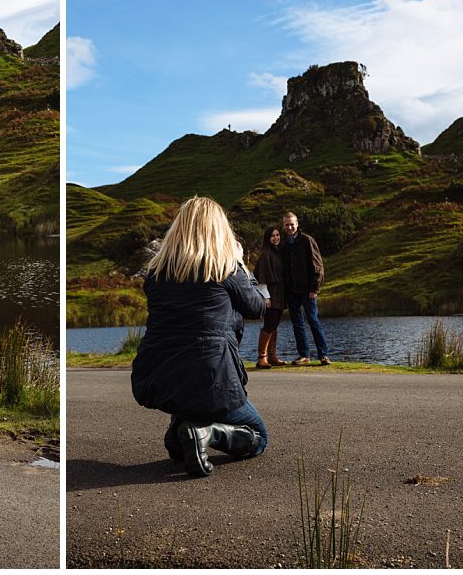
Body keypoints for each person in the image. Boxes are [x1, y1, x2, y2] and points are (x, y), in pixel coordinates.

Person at [129, 196, 269, 477]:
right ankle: (207, 432)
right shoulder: (225, 267)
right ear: (219, 229)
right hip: (210, 377)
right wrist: (241, 264)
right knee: (257, 436)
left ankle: (183, 428)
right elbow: (256, 307)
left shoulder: (156, 273)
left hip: (160, 373)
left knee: (190, 400)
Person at [277, 211, 330, 365]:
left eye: (292, 224)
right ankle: (304, 356)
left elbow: (318, 266)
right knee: (297, 324)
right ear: (283, 225)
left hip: (308, 290)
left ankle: (323, 355)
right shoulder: (284, 244)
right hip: (291, 291)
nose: (289, 227)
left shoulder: (307, 240)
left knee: (313, 321)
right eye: (286, 224)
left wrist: (315, 289)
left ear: (297, 223)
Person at [250, 227, 287, 368]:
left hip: (279, 292)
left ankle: (272, 356)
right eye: (272, 236)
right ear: (267, 238)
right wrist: (266, 297)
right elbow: (261, 278)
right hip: (270, 294)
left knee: (275, 324)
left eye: (278, 235)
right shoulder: (266, 254)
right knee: (269, 323)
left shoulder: (278, 253)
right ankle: (262, 358)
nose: (276, 238)